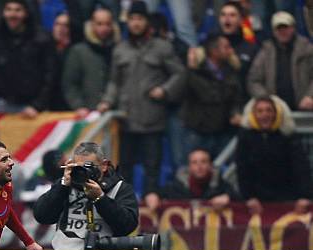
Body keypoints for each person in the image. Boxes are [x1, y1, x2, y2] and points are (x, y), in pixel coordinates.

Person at [98, 0, 185, 196]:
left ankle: (151, 213)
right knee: (124, 168)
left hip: (152, 119)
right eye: (132, 19)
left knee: (152, 169)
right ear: (127, 22)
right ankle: (124, 209)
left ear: (147, 22)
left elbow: (180, 74)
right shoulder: (120, 49)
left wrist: (165, 90)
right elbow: (114, 82)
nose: (136, 23)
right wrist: (107, 101)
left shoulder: (162, 47)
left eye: (140, 19)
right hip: (126, 119)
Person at [33, 142, 139, 250]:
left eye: (89, 167)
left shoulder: (119, 187)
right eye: (78, 168)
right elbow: (42, 216)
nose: (83, 172)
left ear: (104, 165)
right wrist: (62, 187)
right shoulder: (65, 185)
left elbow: (127, 226)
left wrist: (100, 198)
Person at [236, 95, 311, 214]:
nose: (265, 115)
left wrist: (305, 196)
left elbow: (301, 167)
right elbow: (242, 168)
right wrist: (249, 197)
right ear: (253, 115)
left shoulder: (288, 137)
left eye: (269, 110)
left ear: (276, 113)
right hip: (258, 202)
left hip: (287, 198)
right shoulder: (245, 138)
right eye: (260, 111)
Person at [0, 0, 56, 117]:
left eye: (17, 10)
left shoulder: (41, 38)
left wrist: (37, 105)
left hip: (33, 107)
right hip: (4, 103)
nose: (12, 14)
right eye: (8, 9)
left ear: (26, 13)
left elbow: (50, 74)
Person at [181, 33, 243, 158]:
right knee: (193, 171)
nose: (231, 51)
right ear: (214, 51)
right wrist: (191, 70)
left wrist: (235, 113)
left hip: (223, 131)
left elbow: (236, 98)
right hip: (198, 132)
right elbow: (203, 94)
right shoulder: (196, 71)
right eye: (226, 47)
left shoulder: (231, 71)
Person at [247, 11, 313, 111]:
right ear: (273, 31)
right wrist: (267, 100)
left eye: (285, 27)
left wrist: (310, 96)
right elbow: (253, 80)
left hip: (306, 108)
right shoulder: (265, 51)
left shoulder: (307, 49)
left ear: (293, 28)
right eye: (279, 28)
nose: (282, 31)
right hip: (275, 114)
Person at [62, 8, 118, 118]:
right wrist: (78, 106)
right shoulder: (78, 51)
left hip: (113, 113)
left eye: (107, 24)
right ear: (92, 25)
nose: (104, 28)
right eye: (99, 24)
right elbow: (70, 84)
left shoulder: (118, 50)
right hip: (87, 113)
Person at [145, 148, 236, 212]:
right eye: (194, 162)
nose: (199, 166)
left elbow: (239, 198)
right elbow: (156, 192)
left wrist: (228, 198)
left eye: (203, 162)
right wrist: (152, 195)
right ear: (189, 167)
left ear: (210, 165)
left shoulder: (221, 185)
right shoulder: (178, 186)